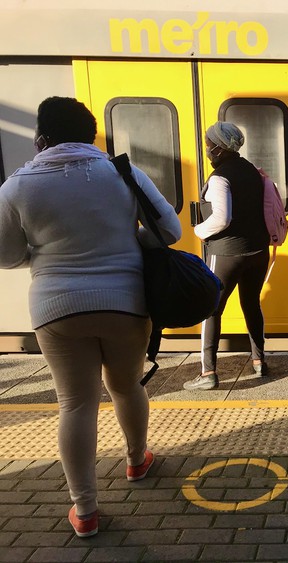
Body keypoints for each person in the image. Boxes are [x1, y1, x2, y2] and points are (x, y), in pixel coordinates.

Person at [0, 97, 182, 537]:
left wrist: (43, 256)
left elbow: (5, 255)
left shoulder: (16, 186)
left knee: (75, 403)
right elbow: (171, 231)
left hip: (56, 308)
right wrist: (125, 238)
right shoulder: (121, 172)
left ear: (41, 138)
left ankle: (85, 511)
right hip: (125, 302)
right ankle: (137, 461)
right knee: (124, 385)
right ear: (94, 136)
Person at [183, 121, 270, 391]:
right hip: (258, 251)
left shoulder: (220, 177)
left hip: (227, 253)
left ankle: (208, 373)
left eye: (209, 144)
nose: (207, 148)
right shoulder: (253, 172)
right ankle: (259, 362)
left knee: (211, 309)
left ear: (219, 148)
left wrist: (198, 231)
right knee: (251, 304)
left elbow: (222, 218)